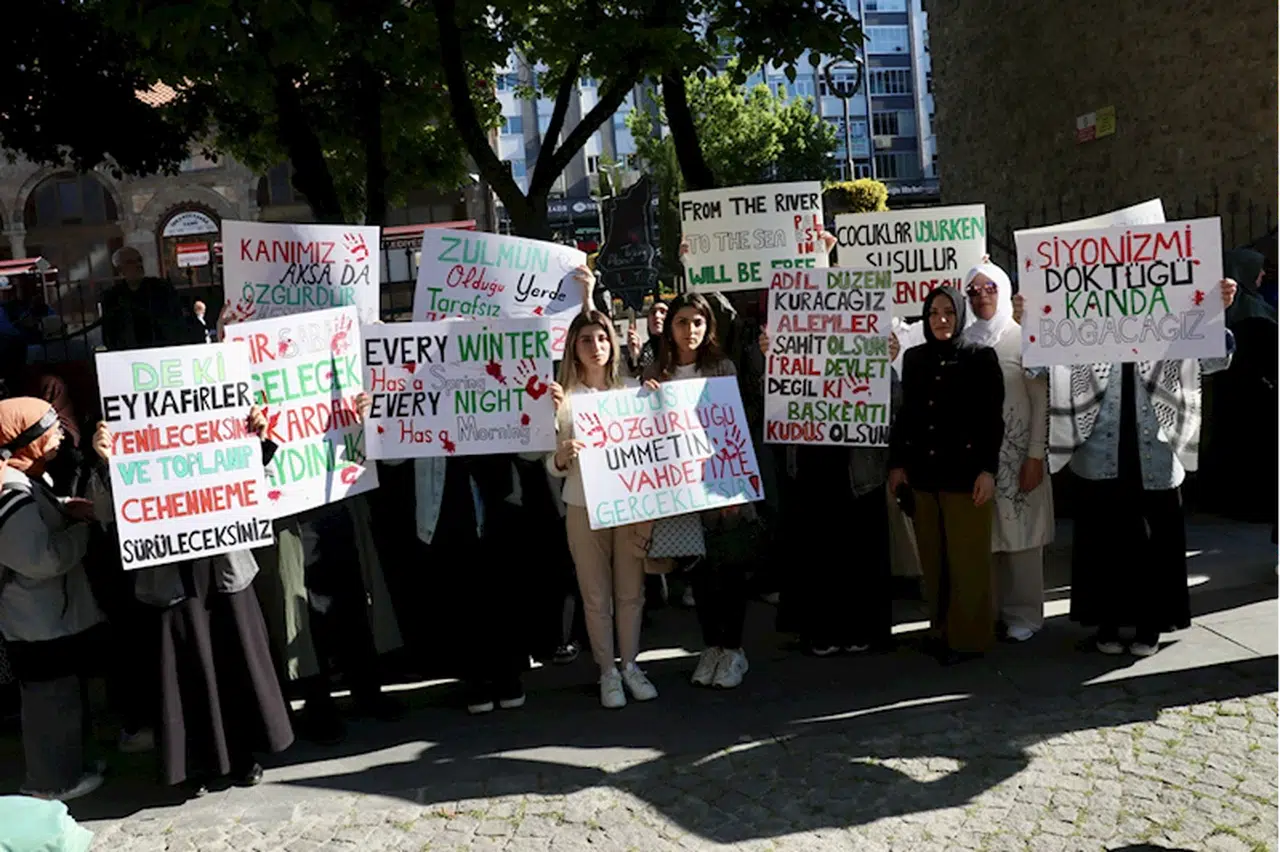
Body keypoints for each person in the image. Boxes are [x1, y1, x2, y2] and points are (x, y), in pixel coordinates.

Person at [1021, 279, 1238, 656]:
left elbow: (1215, 360)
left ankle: (1149, 626)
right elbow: (1039, 366)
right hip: (1098, 454)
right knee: (1104, 542)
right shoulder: (1084, 325)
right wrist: (1029, 320)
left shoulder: (1168, 322)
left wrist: (1217, 311)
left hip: (1154, 454)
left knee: (1153, 543)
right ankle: (1106, 624)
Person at [88, 409, 294, 794]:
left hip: (224, 570)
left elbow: (259, 492)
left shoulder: (220, 425)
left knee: (234, 660)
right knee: (181, 669)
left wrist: (253, 446)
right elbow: (105, 514)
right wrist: (106, 464)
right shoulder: (129, 441)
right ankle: (192, 766)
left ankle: (242, 755)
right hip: (168, 577)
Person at [760, 329, 901, 655]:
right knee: (817, 546)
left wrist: (887, 367)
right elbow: (773, 405)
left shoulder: (870, 342)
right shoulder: (797, 355)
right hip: (811, 464)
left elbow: (894, 406)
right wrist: (774, 361)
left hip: (858, 469)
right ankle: (819, 630)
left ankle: (859, 628)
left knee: (858, 546)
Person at [888, 287, 1005, 664]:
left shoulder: (979, 357)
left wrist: (988, 470)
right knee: (934, 561)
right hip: (924, 476)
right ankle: (939, 630)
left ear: (959, 317)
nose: (941, 320)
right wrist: (898, 464)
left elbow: (991, 419)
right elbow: (906, 416)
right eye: (934, 312)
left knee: (967, 561)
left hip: (965, 476)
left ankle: (969, 639)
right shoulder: (916, 358)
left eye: (948, 313)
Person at [548, 309, 657, 709]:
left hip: (628, 505)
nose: (596, 347)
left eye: (602, 338)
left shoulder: (632, 390)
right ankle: (607, 672)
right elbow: (546, 461)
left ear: (612, 344)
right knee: (595, 595)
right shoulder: (564, 399)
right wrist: (561, 456)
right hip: (583, 505)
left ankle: (630, 665)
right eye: (586, 340)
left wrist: (658, 401)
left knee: (632, 592)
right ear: (573, 350)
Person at [0, 398, 106, 801]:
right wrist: (80, 533)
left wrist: (65, 508)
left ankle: (69, 767)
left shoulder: (27, 479)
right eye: (50, 429)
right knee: (49, 702)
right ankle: (50, 782)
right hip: (34, 620)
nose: (61, 435)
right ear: (25, 441)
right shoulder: (10, 494)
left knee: (64, 696)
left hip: (48, 615)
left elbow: (39, 513)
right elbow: (40, 558)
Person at [642, 292, 748, 688]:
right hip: (679, 490)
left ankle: (733, 649)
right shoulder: (656, 372)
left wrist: (735, 487)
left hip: (720, 485)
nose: (691, 330)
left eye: (698, 322)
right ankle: (711, 647)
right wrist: (645, 399)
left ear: (709, 328)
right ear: (670, 328)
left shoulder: (722, 368)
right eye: (683, 322)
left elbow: (735, 429)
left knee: (728, 568)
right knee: (698, 574)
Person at [961, 263, 1053, 643]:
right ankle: (991, 610)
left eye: (990, 288)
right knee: (987, 535)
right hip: (977, 458)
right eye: (974, 291)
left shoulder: (1023, 339)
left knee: (1022, 536)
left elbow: (1041, 400)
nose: (983, 296)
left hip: (1019, 453)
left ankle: (1025, 614)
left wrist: (1035, 455)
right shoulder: (961, 341)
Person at [100, 247, 203, 350]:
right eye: (130, 262)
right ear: (120, 269)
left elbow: (177, 319)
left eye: (139, 260)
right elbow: (110, 334)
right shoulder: (112, 297)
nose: (138, 265)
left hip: (163, 348)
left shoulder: (161, 288)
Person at [625, 301, 667, 378]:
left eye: (662, 312)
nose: (657, 316)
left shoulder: (680, 347)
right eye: (653, 312)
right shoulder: (647, 350)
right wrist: (635, 357)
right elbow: (634, 379)